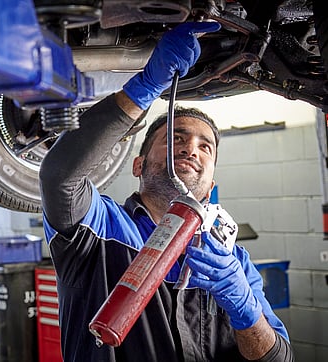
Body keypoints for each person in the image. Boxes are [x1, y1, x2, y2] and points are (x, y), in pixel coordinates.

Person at [39, 22, 294, 362]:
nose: (191, 148)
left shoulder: (233, 264)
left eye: (206, 148)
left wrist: (243, 306)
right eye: (176, 137)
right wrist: (144, 87)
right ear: (138, 165)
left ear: (212, 186)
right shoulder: (100, 228)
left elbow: (279, 359)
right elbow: (60, 177)